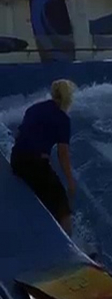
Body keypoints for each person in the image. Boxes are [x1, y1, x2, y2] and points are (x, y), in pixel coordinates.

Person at [10, 79, 77, 236]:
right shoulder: (62, 118)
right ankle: (70, 248)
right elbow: (63, 154)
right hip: (35, 164)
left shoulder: (33, 108)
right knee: (62, 202)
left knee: (44, 189)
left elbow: (20, 135)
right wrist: (70, 181)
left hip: (16, 160)